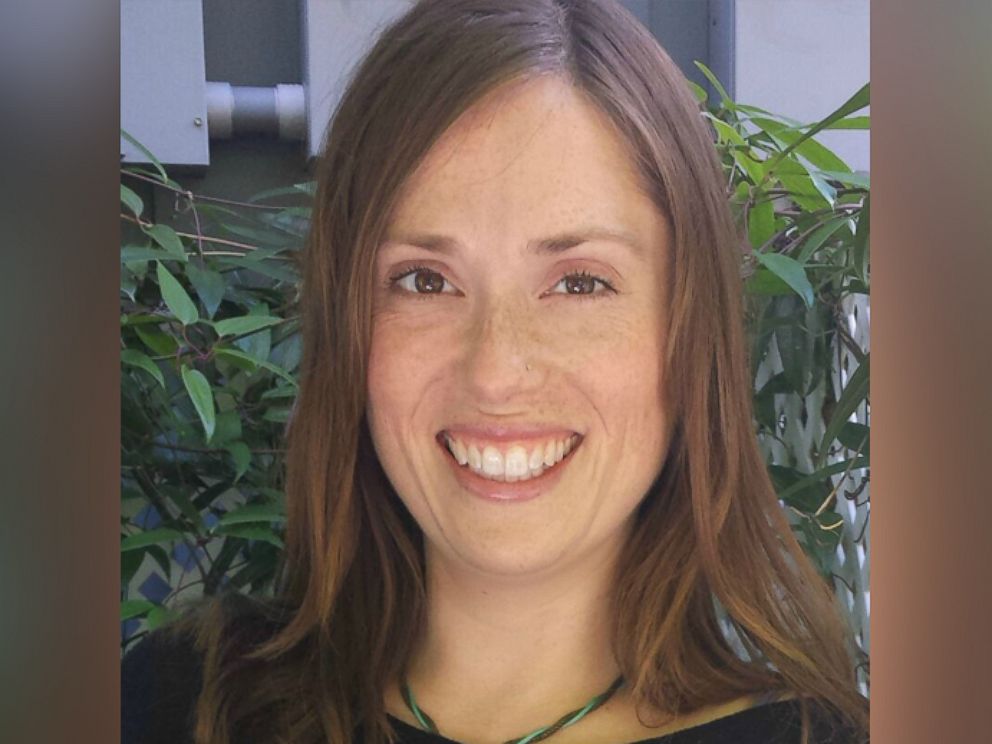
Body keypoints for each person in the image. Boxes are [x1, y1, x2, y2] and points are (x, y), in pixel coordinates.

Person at [122, 1, 869, 742]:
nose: (496, 373)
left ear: (687, 337)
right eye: (423, 280)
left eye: (579, 283)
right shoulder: (186, 702)